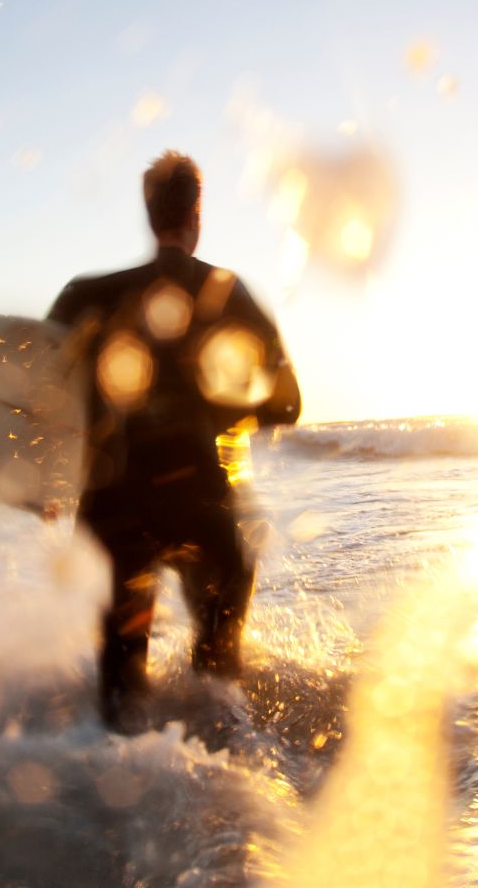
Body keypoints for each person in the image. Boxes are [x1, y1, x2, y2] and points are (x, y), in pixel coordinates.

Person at [47, 151, 301, 732]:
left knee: (120, 681)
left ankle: (104, 787)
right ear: (196, 214)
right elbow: (287, 404)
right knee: (218, 675)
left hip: (112, 507)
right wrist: (221, 407)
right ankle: (221, 778)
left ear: (148, 212)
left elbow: (36, 399)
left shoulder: (84, 295)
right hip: (200, 500)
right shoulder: (227, 292)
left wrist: (39, 483)